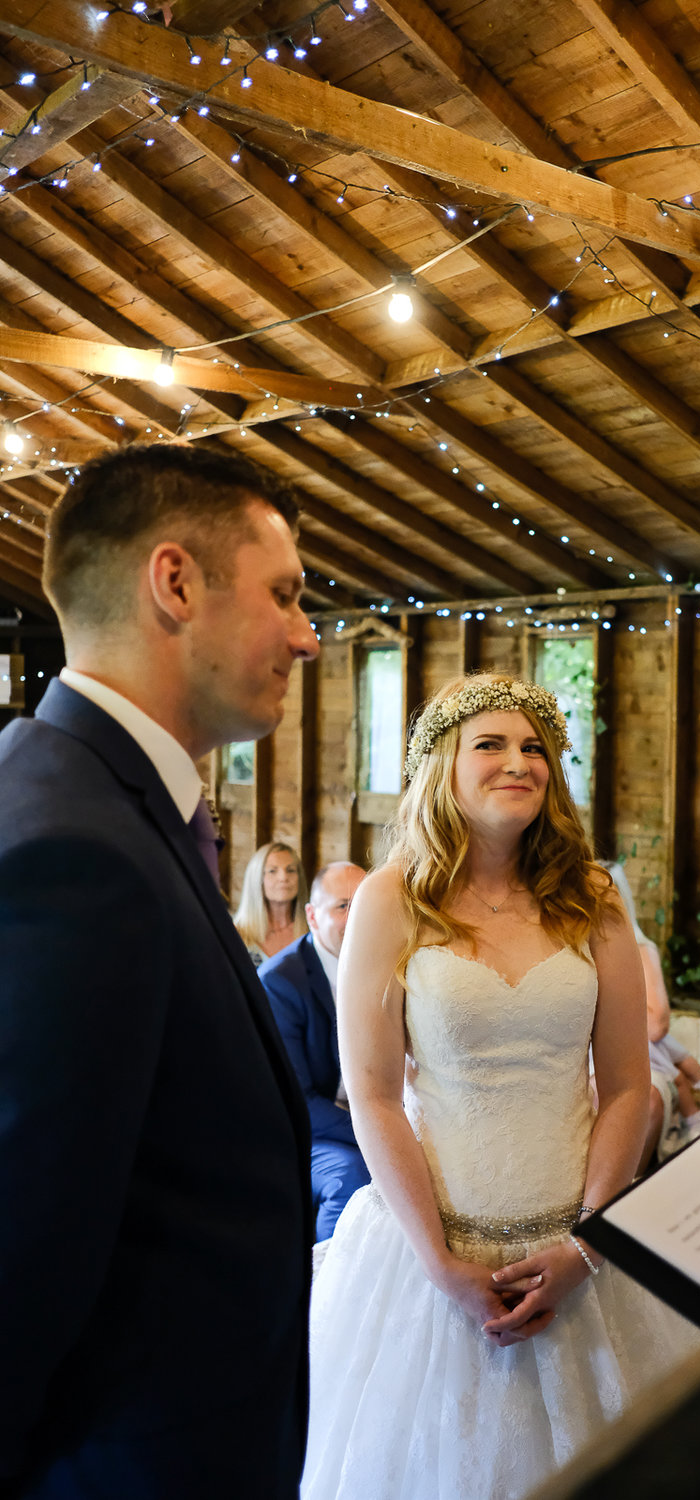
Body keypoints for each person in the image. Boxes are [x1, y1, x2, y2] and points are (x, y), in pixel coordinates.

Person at [0, 442, 319, 1499]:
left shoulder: (92, 792)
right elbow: (21, 1248)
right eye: (285, 596)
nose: (308, 636)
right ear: (175, 584)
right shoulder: (76, 848)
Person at [302, 673, 700, 1500]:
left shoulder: (592, 900)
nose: (517, 761)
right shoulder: (391, 899)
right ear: (442, 764)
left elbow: (628, 1085)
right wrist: (442, 1266)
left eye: (533, 748)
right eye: (490, 744)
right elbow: (372, 1093)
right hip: (432, 1252)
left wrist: (586, 1245)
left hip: (575, 1248)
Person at [259, 862, 371, 1241]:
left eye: (363, 904)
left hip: (371, 1112)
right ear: (312, 915)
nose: (356, 917)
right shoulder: (280, 982)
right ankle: (323, 1293)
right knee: (350, 1176)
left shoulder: (383, 964)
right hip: (303, 1130)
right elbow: (296, 1101)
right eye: (343, 906)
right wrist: (379, 1132)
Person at [602, 861, 700, 1163]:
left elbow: (657, 1026)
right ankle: (697, 1092)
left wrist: (611, 1008)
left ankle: (693, 1109)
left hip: (632, 1045)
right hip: (601, 1050)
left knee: (648, 1047)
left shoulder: (641, 949)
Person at [234, 839, 309, 966]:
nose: (283, 878)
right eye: (272, 871)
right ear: (257, 878)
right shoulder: (237, 934)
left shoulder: (311, 931)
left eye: (290, 870)